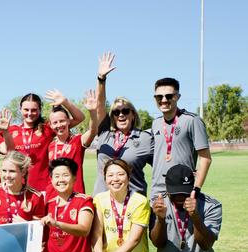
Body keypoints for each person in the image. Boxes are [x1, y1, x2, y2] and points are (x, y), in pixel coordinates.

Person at [93, 52, 153, 196]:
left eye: (125, 111)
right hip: (103, 204)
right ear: (112, 117)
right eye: (116, 112)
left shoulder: (145, 139)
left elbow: (161, 166)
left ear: (133, 115)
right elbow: (100, 106)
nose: (121, 114)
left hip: (133, 203)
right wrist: (101, 79)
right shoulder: (104, 134)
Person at [9, 90, 85, 191]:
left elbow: (80, 118)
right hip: (19, 186)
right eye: (26, 109)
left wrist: (65, 102)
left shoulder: (47, 128)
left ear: (40, 110)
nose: (30, 113)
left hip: (44, 189)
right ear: (20, 109)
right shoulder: (11, 131)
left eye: (34, 110)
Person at [150, 77, 212, 200]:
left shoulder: (192, 120)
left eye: (169, 96)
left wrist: (197, 188)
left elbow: (205, 158)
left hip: (182, 187)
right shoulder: (155, 123)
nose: (163, 100)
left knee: (181, 220)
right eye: (159, 97)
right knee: (157, 220)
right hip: (157, 190)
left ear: (177, 96)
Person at [45, 90, 100, 198]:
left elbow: (93, 130)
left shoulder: (78, 140)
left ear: (69, 121)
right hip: (53, 197)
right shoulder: (50, 144)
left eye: (62, 121)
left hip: (76, 196)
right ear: (50, 125)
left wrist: (93, 112)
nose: (59, 125)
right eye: (55, 122)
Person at [0, 151, 45, 227]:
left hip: (22, 239)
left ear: (23, 172)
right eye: (4, 171)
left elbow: (37, 230)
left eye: (12, 171)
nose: (7, 175)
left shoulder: (35, 197)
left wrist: (25, 225)